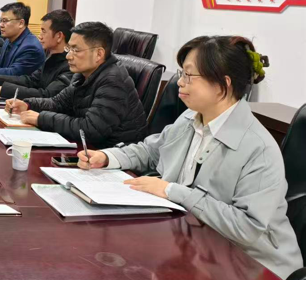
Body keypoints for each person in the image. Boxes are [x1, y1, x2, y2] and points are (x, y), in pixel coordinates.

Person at [78, 36, 302, 280]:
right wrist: (107, 157)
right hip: (195, 245)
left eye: (189, 75)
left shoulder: (259, 148)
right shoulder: (189, 119)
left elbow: (247, 228)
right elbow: (151, 152)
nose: (180, 83)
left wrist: (172, 191)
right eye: (181, 73)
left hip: (253, 264)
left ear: (222, 85)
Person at [8, 21, 146, 148]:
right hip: (90, 149)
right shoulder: (83, 74)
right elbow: (57, 103)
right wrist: (28, 104)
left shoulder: (113, 81)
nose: (68, 56)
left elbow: (90, 130)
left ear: (99, 54)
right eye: (69, 48)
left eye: (76, 50)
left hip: (112, 155)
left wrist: (41, 119)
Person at [0, 10, 74, 100]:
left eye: (44, 31)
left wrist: (3, 90)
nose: (40, 36)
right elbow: (30, 80)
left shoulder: (69, 65)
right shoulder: (49, 56)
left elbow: (47, 95)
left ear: (59, 36)